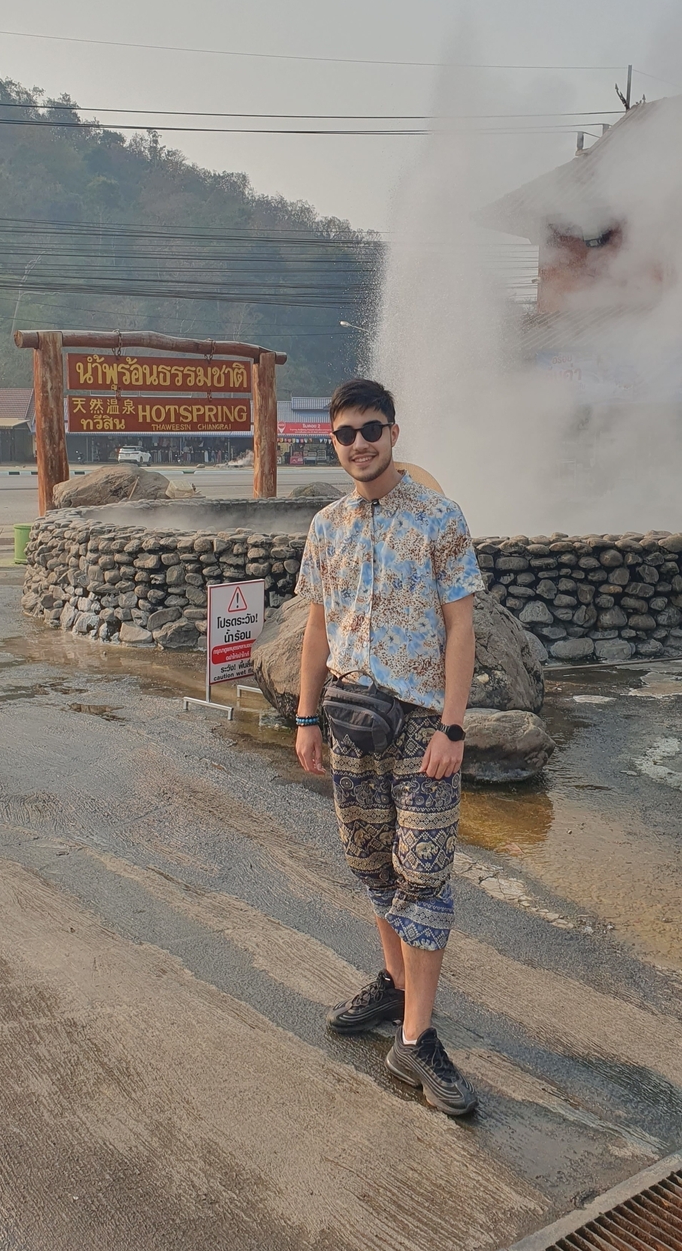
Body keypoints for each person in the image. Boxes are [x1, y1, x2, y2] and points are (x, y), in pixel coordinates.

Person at [295, 378, 484, 1116]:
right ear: (333, 441)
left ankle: (416, 1037)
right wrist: (307, 719)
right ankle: (394, 981)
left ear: (394, 432)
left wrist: (453, 727)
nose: (359, 443)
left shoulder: (438, 517)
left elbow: (462, 628)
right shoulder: (326, 526)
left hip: (421, 726)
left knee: (425, 875)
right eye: (346, 433)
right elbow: (318, 626)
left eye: (371, 429)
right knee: (373, 862)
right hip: (350, 720)